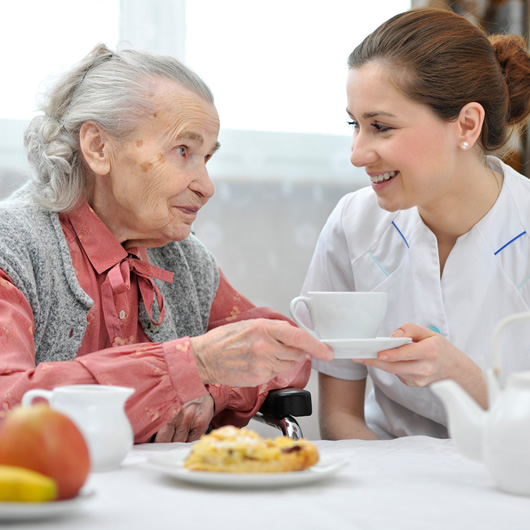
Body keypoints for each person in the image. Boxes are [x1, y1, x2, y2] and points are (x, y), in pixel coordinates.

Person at [0, 44, 333, 444]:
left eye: (206, 157)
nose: (206, 187)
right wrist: (192, 365)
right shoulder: (14, 245)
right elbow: (8, 406)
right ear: (98, 147)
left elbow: (283, 350)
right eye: (182, 151)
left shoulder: (183, 257)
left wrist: (212, 387)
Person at [299, 8, 530, 440]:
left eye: (381, 127)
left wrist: (460, 374)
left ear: (467, 124)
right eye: (355, 125)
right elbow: (341, 418)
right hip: (385, 483)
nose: (357, 153)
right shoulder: (354, 224)